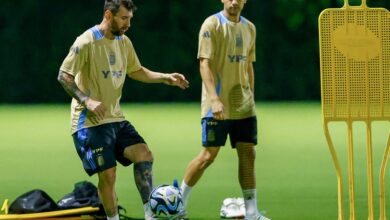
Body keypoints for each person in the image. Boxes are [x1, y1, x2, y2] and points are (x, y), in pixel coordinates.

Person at [57, 1, 189, 220]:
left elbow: (136, 70)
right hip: (89, 122)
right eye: (124, 18)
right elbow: (63, 75)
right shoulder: (86, 41)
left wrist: (165, 78)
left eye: (130, 19)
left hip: (115, 118)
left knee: (144, 155)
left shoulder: (124, 42)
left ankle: (150, 214)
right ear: (108, 15)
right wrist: (86, 100)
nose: (128, 24)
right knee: (108, 175)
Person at [179, 0, 270, 220]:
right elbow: (204, 64)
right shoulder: (211, 25)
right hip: (217, 106)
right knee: (208, 156)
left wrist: (251, 96)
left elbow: (248, 64)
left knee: (248, 153)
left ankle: (251, 213)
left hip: (243, 106)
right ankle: (178, 204)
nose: (234, 1)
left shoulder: (250, 28)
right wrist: (214, 99)